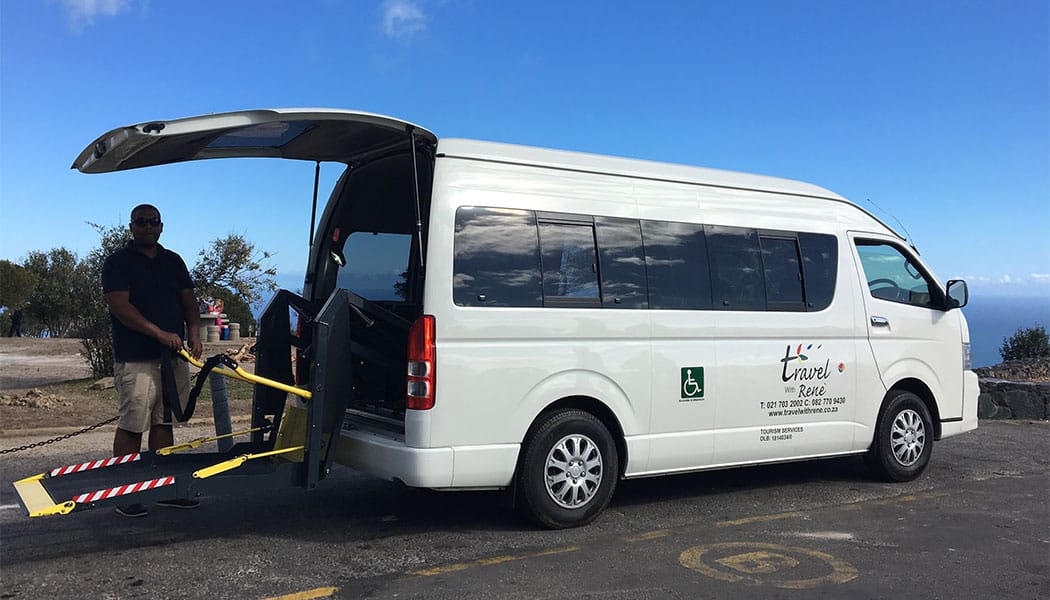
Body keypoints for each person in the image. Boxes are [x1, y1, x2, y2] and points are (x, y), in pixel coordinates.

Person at [102, 204, 204, 518]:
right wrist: (159, 333)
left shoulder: (173, 261)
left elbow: (188, 302)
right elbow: (121, 307)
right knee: (133, 424)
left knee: (164, 421)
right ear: (132, 227)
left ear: (161, 227)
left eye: (153, 222)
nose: (148, 227)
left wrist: (195, 333)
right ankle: (125, 491)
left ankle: (163, 488)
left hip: (172, 357)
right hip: (136, 358)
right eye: (141, 222)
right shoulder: (117, 263)